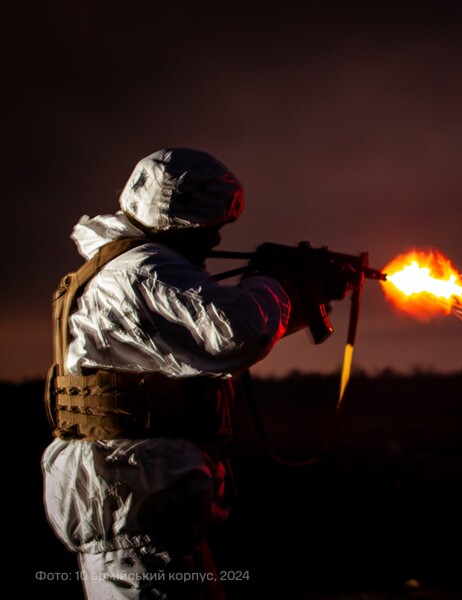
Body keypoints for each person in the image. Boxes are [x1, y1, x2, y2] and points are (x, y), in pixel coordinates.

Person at [41, 148, 337, 599]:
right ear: (181, 221)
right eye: (209, 229)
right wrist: (278, 282)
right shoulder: (141, 272)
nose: (215, 242)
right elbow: (234, 333)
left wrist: (299, 295)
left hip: (144, 509)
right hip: (131, 512)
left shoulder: (133, 270)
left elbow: (203, 338)